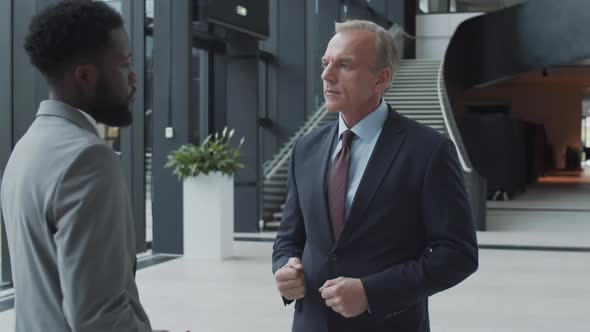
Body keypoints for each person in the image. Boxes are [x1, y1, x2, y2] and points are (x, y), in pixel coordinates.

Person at [272, 19, 478, 332]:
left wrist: (372, 292)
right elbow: (289, 238)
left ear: (381, 79)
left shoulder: (428, 151)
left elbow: (458, 254)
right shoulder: (306, 148)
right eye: (326, 63)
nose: (327, 75)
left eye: (344, 65)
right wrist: (285, 268)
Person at [0, 1, 155, 331]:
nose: (133, 75)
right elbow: (100, 318)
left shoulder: (25, 149)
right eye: (125, 63)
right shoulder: (87, 158)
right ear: (85, 76)